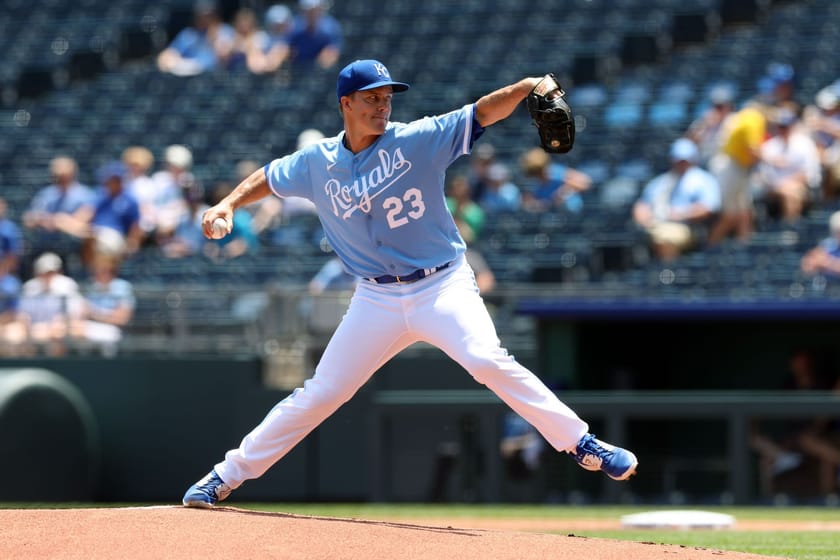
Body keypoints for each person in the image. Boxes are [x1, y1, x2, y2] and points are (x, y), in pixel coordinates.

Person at [182, 58, 638, 508]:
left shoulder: (417, 139)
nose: (383, 105)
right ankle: (225, 476)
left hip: (441, 285)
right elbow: (270, 176)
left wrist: (524, 87)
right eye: (372, 98)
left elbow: (482, 111)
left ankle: (582, 443)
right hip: (375, 298)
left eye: (387, 97)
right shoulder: (316, 162)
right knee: (322, 392)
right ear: (346, 103)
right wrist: (228, 205)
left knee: (486, 359)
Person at [632, 138, 721, 261]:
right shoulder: (662, 181)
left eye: (684, 160)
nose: (681, 163)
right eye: (678, 159)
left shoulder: (703, 180)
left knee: (664, 237)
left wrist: (681, 215)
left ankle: (669, 275)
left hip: (688, 227)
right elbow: (642, 205)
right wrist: (645, 220)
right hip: (656, 224)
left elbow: (708, 208)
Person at [706, 98, 769, 245]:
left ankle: (744, 244)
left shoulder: (740, 117)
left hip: (737, 166)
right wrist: (772, 163)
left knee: (745, 210)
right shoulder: (754, 118)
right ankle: (711, 246)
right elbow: (751, 149)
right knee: (731, 214)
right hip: (730, 166)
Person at [22, 156, 94, 275]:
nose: (60, 179)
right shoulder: (46, 194)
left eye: (64, 176)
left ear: (73, 174)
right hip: (45, 247)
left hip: (73, 250)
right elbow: (29, 220)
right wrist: (55, 220)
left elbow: (83, 225)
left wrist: (60, 221)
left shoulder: (84, 195)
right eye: (57, 175)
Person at [754, 108, 821, 223]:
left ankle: (789, 228)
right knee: (788, 193)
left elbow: (808, 173)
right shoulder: (769, 146)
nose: (783, 130)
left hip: (799, 187)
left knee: (790, 193)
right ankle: (790, 230)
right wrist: (780, 185)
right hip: (773, 188)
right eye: (781, 126)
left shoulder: (804, 144)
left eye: (786, 126)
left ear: (793, 125)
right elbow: (762, 175)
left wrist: (787, 184)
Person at [70, 250, 135, 357]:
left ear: (111, 270)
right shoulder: (92, 286)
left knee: (78, 330)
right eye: (96, 270)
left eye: (103, 270)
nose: (98, 273)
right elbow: (82, 313)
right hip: (90, 326)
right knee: (69, 329)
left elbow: (122, 319)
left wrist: (95, 314)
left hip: (114, 330)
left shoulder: (123, 287)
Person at [156, 0, 235, 76]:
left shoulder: (225, 31)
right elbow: (167, 55)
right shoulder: (189, 34)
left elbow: (225, 56)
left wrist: (213, 37)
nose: (204, 19)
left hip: (217, 78)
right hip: (190, 78)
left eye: (209, 15)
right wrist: (168, 60)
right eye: (201, 15)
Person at [518, 146, 591, 213]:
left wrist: (563, 191)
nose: (539, 176)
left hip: (572, 212)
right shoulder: (534, 183)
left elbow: (585, 181)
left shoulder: (555, 172)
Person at [685, 85, 736, 167]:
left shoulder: (734, 121)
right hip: (705, 164)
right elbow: (688, 143)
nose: (718, 110)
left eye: (720, 106)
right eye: (715, 106)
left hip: (728, 164)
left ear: (729, 106)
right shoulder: (705, 121)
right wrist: (705, 126)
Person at [286, 0, 342, 69]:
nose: (312, 14)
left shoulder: (331, 26)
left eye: (314, 10)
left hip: (321, 73)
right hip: (297, 69)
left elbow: (332, 53)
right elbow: (285, 49)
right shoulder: (294, 26)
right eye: (308, 11)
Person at [800, 209, 840, 279]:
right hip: (827, 286)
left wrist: (826, 263)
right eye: (838, 231)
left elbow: (822, 262)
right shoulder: (827, 244)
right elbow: (807, 265)